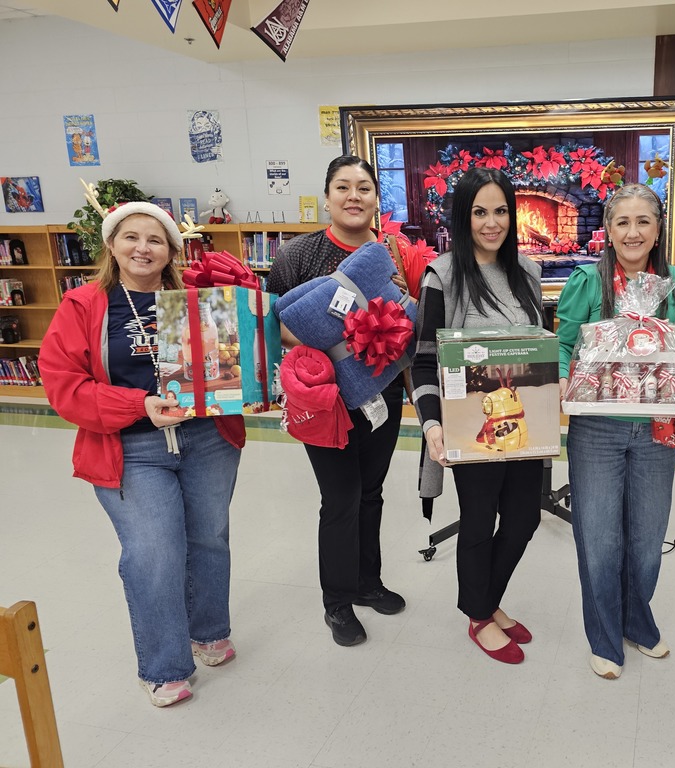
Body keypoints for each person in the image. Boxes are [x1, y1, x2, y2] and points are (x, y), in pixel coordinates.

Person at [38, 201, 245, 708]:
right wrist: (139, 405)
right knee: (154, 552)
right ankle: (164, 666)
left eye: (155, 239)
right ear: (111, 245)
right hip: (129, 447)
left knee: (210, 538)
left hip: (206, 439)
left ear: (173, 249)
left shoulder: (200, 300)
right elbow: (64, 386)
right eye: (130, 237)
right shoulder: (84, 306)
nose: (142, 248)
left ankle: (209, 630)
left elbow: (232, 368)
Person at [266, 155, 427, 647]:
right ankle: (336, 603)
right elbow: (271, 324)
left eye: (363, 187)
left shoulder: (393, 255)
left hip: (383, 393)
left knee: (372, 492)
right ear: (328, 196)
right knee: (340, 499)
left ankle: (366, 582)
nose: (353, 196)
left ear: (377, 197)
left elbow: (417, 321)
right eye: (342, 187)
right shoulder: (299, 255)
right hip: (324, 401)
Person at [555, 183, 675, 680]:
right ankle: (603, 634)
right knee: (599, 539)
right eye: (623, 222)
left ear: (658, 229)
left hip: (658, 427)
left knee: (646, 539)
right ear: (609, 230)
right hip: (595, 429)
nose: (633, 232)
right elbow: (563, 345)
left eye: (643, 222)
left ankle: (637, 621)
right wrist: (560, 378)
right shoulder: (586, 280)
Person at [412, 167, 544, 665]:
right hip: (472, 427)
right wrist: (431, 425)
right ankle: (478, 614)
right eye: (480, 212)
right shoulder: (442, 275)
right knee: (478, 521)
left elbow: (539, 352)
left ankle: (487, 601)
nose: (492, 223)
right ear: (463, 217)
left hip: (524, 425)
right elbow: (424, 359)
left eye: (501, 211)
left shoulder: (527, 272)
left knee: (524, 519)